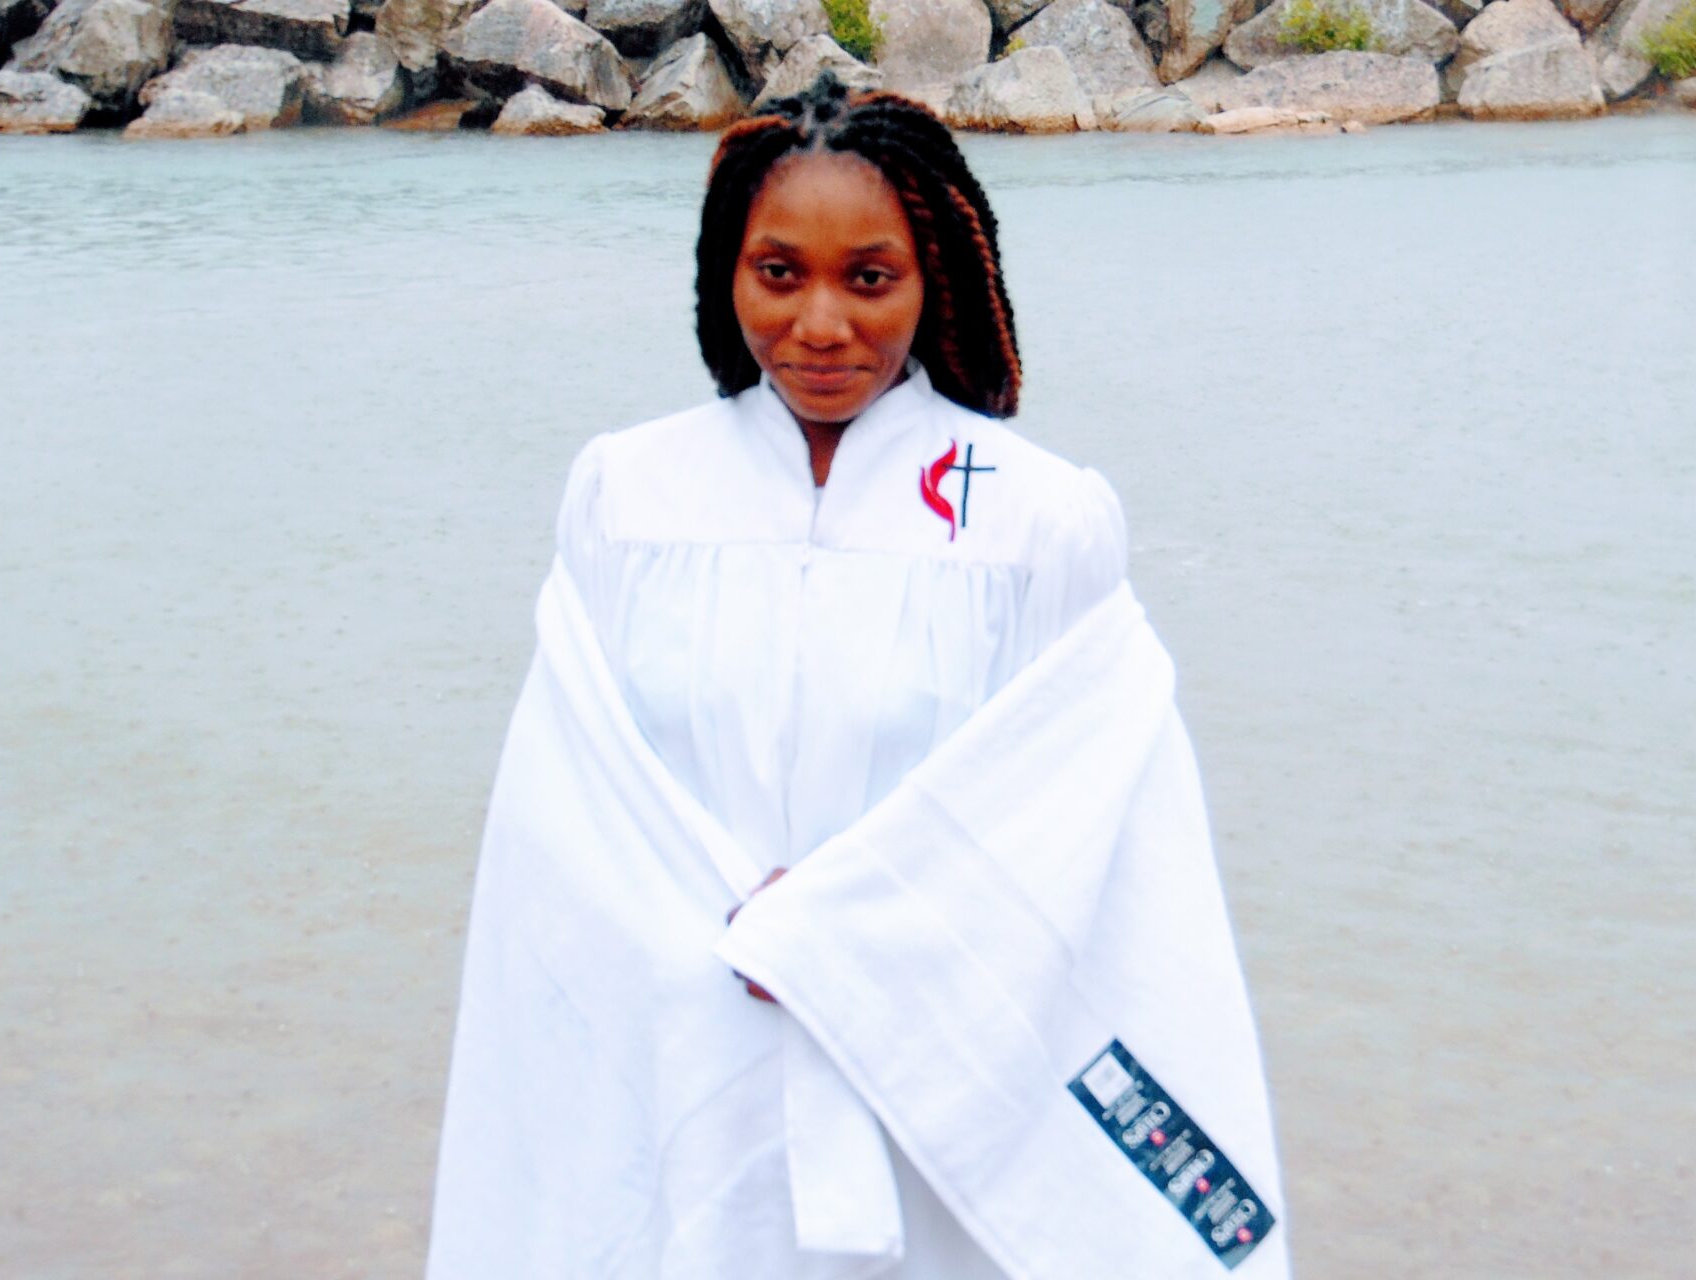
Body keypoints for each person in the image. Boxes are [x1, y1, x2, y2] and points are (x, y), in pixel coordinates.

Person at [426, 73, 1288, 1279]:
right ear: (727, 274)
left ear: (933, 277)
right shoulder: (628, 497)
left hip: (935, 1074)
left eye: (868, 277)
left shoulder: (1039, 521)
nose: (820, 324)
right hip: (697, 1038)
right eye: (779, 273)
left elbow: (1087, 824)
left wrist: (840, 935)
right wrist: (739, 932)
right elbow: (572, 810)